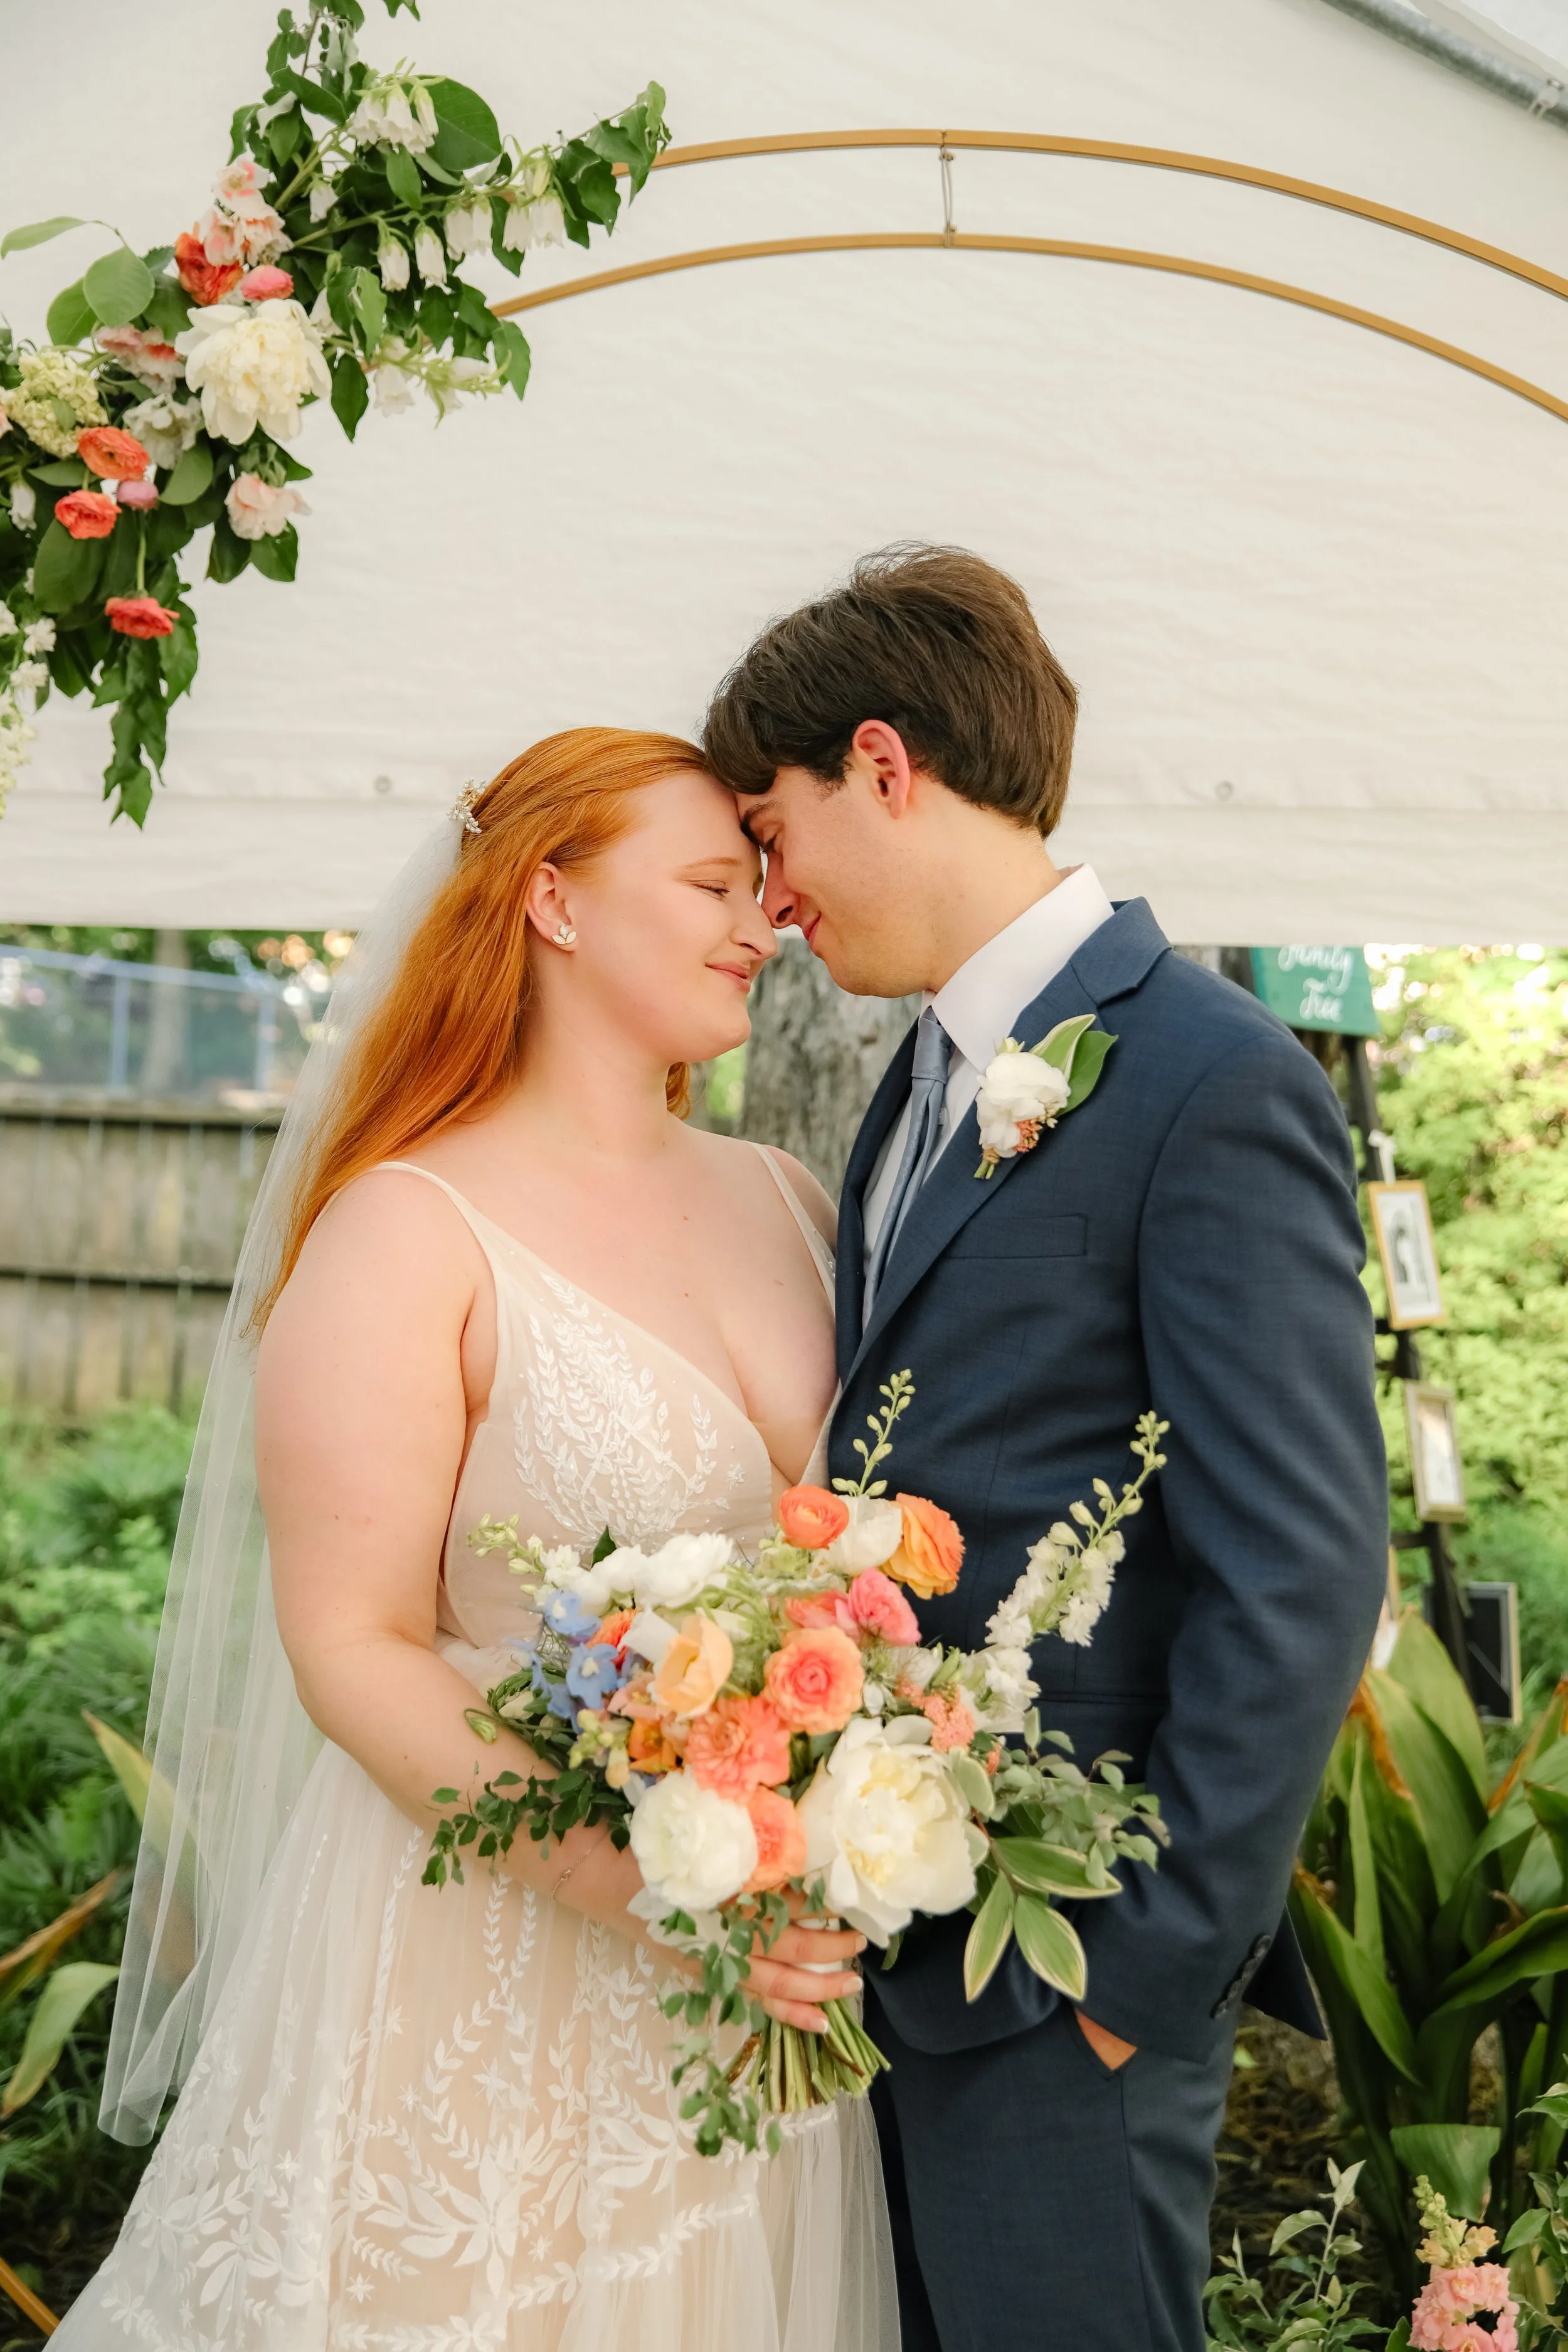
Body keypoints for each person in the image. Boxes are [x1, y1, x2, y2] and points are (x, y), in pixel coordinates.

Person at [56, 729, 894, 2351]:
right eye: (715, 882)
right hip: (482, 1958)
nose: (762, 916)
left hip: (755, 1992)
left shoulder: (791, 1194)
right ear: (553, 900)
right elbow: (350, 1642)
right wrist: (644, 1884)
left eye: (761, 882)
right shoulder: (402, 1226)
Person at [702, 547, 1388, 2352]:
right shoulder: (913, 1089)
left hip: (1063, 1969)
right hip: (895, 1953)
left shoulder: (1212, 1079)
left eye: (771, 834)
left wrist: (1140, 1975)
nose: (770, 901)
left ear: (880, 762)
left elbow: (1303, 1567)